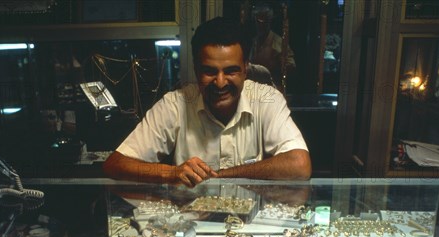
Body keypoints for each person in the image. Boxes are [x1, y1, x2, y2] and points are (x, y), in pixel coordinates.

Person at [103, 16, 311, 188]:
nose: (220, 83)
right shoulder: (175, 104)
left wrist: (220, 175)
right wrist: (172, 173)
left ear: (245, 69)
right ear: (196, 70)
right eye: (210, 71)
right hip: (189, 227)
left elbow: (299, 165)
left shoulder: (267, 99)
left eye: (231, 71)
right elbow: (115, 165)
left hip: (250, 229)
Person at [249, 2, 296, 88]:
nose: (260, 25)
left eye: (263, 21)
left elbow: (290, 65)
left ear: (269, 21)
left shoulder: (278, 42)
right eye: (257, 21)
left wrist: (277, 64)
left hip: (272, 90)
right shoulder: (254, 41)